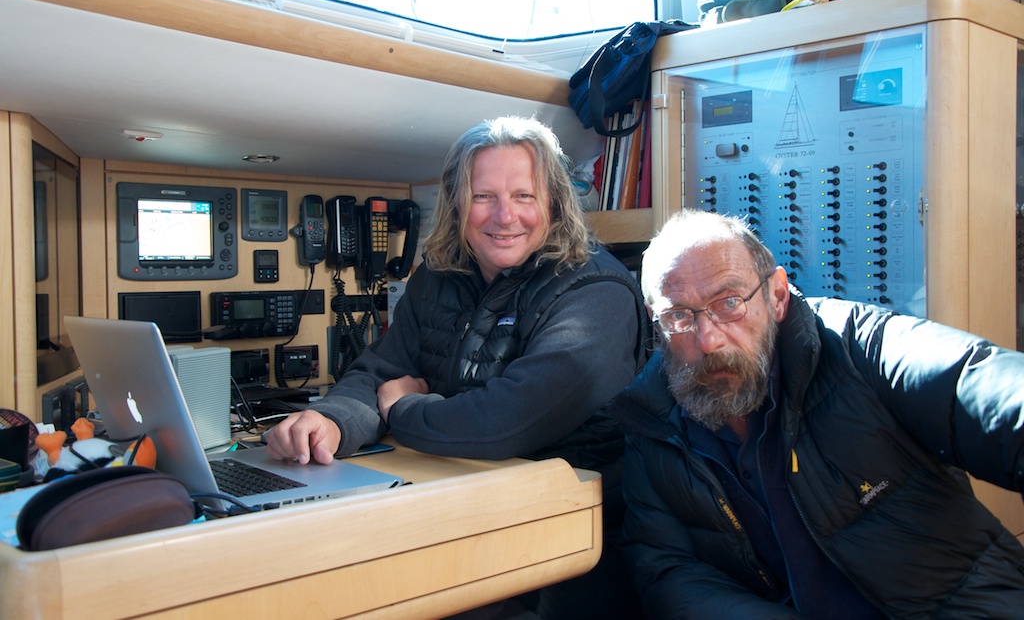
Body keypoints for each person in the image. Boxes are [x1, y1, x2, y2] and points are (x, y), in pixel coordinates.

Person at [266, 116, 649, 619]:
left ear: (554, 204)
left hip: (572, 539)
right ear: (457, 204)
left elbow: (508, 420)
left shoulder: (596, 291)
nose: (504, 216)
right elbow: (381, 370)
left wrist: (404, 410)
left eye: (524, 196)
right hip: (462, 505)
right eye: (483, 196)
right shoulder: (438, 275)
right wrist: (333, 421)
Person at [610, 208, 1024, 619]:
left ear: (777, 295)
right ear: (656, 324)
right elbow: (668, 572)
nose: (708, 339)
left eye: (730, 302)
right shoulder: (651, 418)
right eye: (678, 315)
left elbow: (993, 393)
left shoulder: (862, 346)